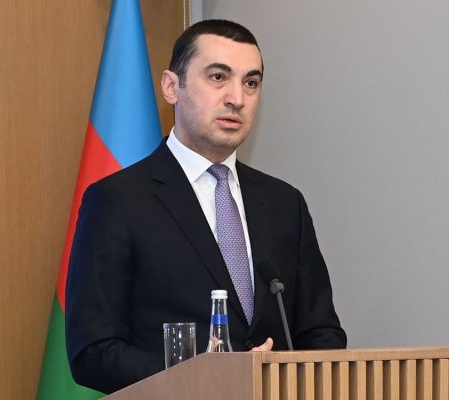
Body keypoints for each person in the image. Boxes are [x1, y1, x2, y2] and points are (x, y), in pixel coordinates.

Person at [65, 19, 346, 394]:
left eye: (251, 83)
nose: (237, 98)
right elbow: (93, 352)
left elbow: (322, 334)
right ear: (172, 87)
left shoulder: (284, 203)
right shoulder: (117, 201)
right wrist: (200, 375)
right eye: (218, 77)